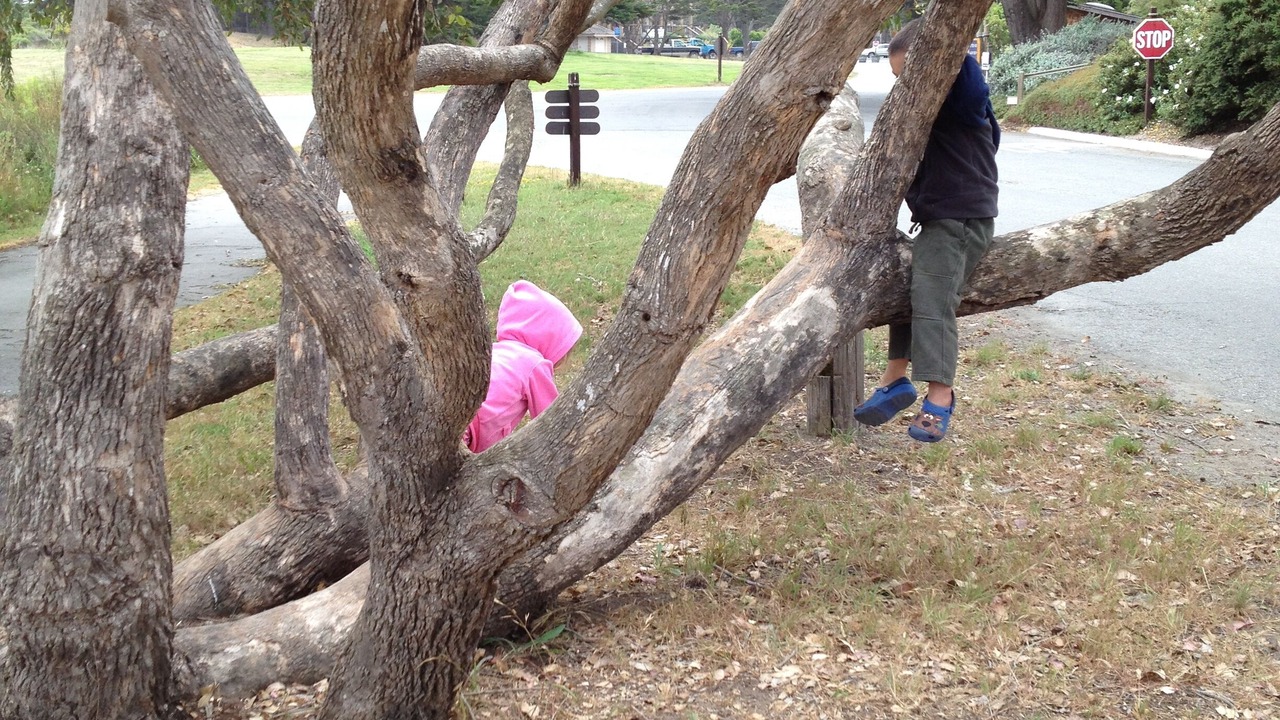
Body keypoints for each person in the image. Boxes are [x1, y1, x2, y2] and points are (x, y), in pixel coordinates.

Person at [853, 19, 1000, 443]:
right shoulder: (934, 115)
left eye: (908, 76)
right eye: (898, 79)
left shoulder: (963, 100)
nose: (903, 88)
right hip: (941, 219)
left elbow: (969, 83)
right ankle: (896, 377)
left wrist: (953, 37)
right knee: (908, 291)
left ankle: (941, 393)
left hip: (961, 221)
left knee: (935, 301)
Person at [464, 280, 583, 453]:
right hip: (469, 431)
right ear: (548, 339)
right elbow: (551, 422)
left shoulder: (494, 352)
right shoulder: (534, 364)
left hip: (455, 418)